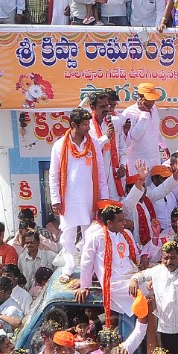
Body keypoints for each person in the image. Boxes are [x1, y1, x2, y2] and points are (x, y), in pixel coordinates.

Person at [48, 108, 110, 279]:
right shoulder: (59, 146)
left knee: (89, 236)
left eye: (88, 123)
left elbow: (101, 173)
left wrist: (104, 199)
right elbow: (53, 175)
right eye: (84, 124)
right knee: (67, 236)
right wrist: (55, 199)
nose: (88, 127)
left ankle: (88, 269)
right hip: (68, 199)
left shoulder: (94, 144)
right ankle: (68, 268)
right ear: (73, 125)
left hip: (90, 198)